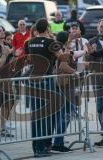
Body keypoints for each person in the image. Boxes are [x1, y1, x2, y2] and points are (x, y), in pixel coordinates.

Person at [24, 18, 69, 157]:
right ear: (48, 28)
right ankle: (43, 147)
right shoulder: (51, 42)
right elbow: (62, 57)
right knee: (46, 115)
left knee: (36, 114)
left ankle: (36, 147)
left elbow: (28, 58)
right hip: (46, 80)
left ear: (37, 29)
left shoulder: (29, 42)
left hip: (33, 79)